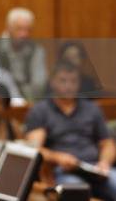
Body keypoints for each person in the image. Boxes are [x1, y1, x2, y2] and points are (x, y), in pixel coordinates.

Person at [25, 62, 116, 200]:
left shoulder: (92, 108)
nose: (68, 86)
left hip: (95, 168)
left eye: (73, 81)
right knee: (76, 192)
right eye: (63, 80)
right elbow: (34, 148)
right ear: (52, 82)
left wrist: (105, 162)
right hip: (63, 171)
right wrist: (58, 157)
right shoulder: (40, 110)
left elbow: (107, 143)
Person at [0, 7, 47, 100]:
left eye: (28, 30)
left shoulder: (36, 49)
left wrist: (23, 98)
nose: (24, 34)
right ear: (8, 28)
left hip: (29, 101)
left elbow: (39, 84)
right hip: (0, 101)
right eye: (19, 29)